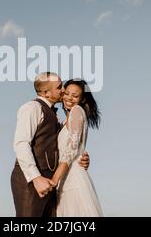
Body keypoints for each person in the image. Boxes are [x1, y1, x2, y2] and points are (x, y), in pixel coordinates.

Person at [10, 72, 90, 217]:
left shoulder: (56, 117)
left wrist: (81, 157)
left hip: (52, 184)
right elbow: (21, 144)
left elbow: (68, 143)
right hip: (32, 182)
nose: (64, 90)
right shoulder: (32, 108)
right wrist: (36, 178)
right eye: (60, 87)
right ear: (46, 93)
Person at [51, 79, 103, 216]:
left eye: (75, 96)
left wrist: (54, 180)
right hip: (65, 178)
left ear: (82, 99)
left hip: (72, 177)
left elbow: (71, 149)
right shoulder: (64, 122)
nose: (69, 98)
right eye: (66, 93)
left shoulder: (77, 110)